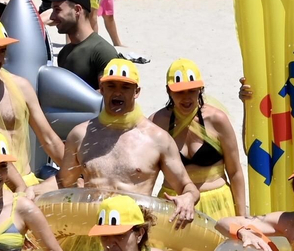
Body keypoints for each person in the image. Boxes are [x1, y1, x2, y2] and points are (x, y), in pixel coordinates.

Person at [61, 59, 199, 226]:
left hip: (135, 233)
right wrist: (31, 191)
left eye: (125, 87)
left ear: (137, 92)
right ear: (102, 89)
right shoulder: (80, 135)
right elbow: (63, 181)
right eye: (112, 86)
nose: (118, 93)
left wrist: (189, 197)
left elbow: (187, 186)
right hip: (93, 229)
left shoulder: (157, 139)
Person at [142, 59, 247, 222]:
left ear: (200, 89)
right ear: (168, 91)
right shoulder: (157, 122)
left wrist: (242, 219)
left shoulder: (216, 119)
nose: (186, 98)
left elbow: (235, 172)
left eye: (191, 90)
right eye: (179, 92)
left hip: (218, 204)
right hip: (174, 206)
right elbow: (147, 174)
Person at [0, 20, 63, 177]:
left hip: (26, 183)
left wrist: (77, 174)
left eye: (2, 51)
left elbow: (48, 138)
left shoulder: (21, 87)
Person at [41, 0, 120, 91]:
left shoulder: (102, 51)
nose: (52, 17)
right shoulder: (64, 53)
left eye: (57, 10)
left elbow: (110, 95)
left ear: (77, 10)